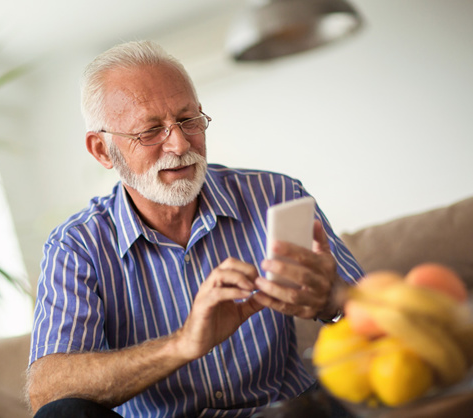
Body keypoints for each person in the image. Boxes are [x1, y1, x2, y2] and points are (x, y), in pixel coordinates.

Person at [27, 40, 364, 418]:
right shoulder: (77, 246)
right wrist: (183, 344)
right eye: (150, 130)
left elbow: (376, 311)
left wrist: (332, 300)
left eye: (188, 120)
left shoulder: (277, 195)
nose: (180, 143)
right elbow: (48, 392)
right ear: (103, 151)